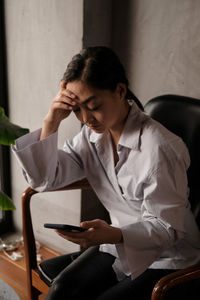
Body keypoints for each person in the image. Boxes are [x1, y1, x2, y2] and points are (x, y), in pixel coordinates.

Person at [12, 46, 200, 299]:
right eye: (78, 109)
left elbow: (169, 230)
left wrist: (113, 233)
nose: (86, 118)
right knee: (62, 290)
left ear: (120, 91)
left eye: (94, 106)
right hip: (119, 243)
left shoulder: (160, 148)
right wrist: (52, 121)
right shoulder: (91, 138)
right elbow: (46, 178)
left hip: (169, 255)